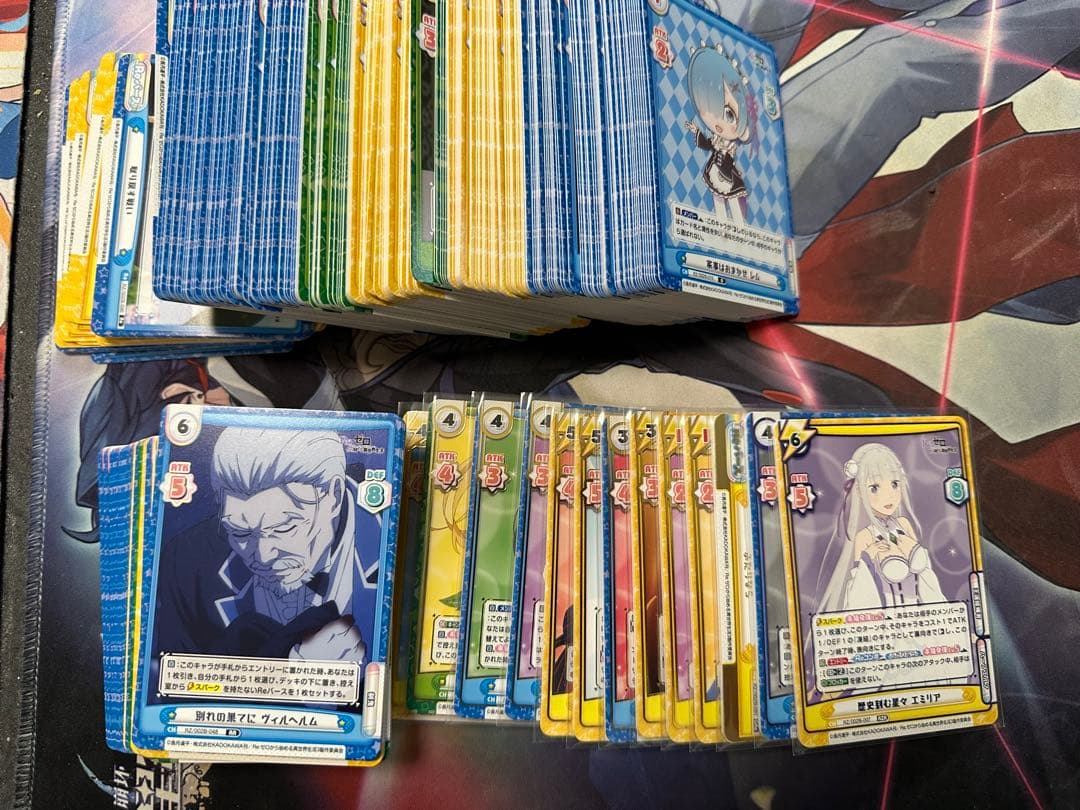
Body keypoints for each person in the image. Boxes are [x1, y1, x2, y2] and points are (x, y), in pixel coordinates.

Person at [153, 427, 380, 665]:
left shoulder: (390, 536)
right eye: (240, 532)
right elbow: (172, 677)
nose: (263, 555)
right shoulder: (187, 562)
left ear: (333, 496)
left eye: (284, 528)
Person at [815, 442, 945, 613]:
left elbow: (924, 572)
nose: (888, 495)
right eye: (874, 488)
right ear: (860, 491)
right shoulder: (865, 537)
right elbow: (858, 590)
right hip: (885, 618)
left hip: (919, 614)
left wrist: (911, 549)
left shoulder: (904, 524)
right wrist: (868, 557)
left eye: (894, 484)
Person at [684, 46, 756, 222]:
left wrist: (724, 157)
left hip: (727, 175)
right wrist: (696, 131)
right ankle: (720, 224)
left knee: (732, 201)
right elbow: (707, 144)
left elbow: (727, 158)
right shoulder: (716, 139)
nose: (716, 122)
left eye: (729, 114)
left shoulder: (730, 146)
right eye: (707, 106)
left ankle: (738, 228)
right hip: (715, 172)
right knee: (718, 199)